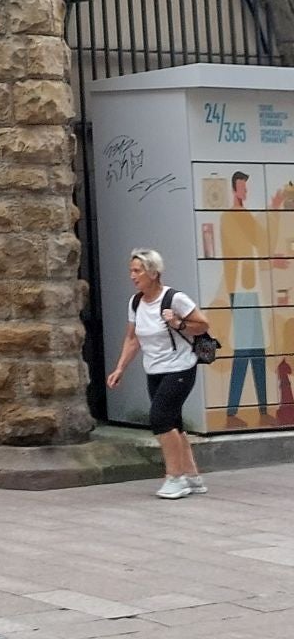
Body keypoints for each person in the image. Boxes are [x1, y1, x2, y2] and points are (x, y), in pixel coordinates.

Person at [108, 249, 210, 499]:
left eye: (137, 271)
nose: (132, 276)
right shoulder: (135, 302)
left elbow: (203, 324)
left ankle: (175, 477)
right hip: (154, 370)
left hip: (180, 368)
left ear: (153, 273)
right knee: (173, 423)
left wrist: (178, 324)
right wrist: (120, 368)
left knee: (160, 419)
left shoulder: (174, 298)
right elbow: (133, 339)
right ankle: (193, 477)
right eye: (131, 271)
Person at [218, 170, 270, 422]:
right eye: (243, 188)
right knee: (243, 351)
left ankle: (262, 409)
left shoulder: (245, 216)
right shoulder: (229, 218)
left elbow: (262, 241)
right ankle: (231, 412)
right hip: (240, 289)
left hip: (251, 289)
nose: (246, 192)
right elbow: (249, 244)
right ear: (234, 189)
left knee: (257, 350)